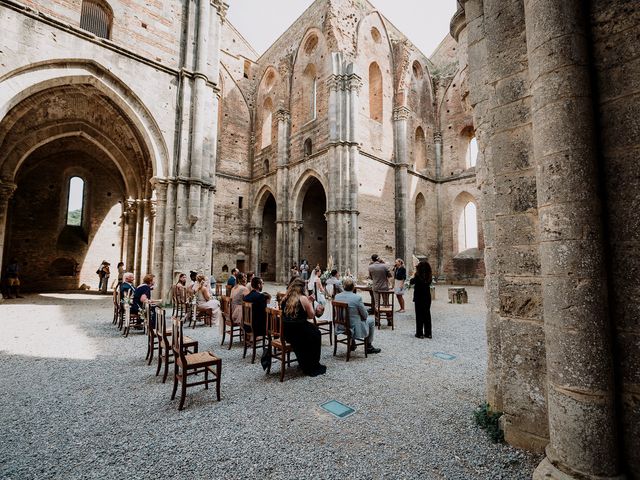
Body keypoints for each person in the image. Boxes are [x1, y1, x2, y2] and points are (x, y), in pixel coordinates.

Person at [280, 278, 326, 377]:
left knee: (312, 332)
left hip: (287, 331)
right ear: (302, 288)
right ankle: (312, 364)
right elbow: (311, 316)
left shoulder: (285, 298)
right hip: (299, 330)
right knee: (316, 334)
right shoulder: (303, 298)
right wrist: (309, 302)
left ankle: (304, 361)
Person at [334, 278, 381, 354]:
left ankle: (352, 343)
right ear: (353, 287)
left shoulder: (337, 296)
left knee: (352, 317)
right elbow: (365, 315)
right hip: (352, 327)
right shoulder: (357, 298)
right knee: (371, 321)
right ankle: (368, 346)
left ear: (343, 286)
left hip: (340, 325)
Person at [410, 260, 433, 339]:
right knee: (427, 315)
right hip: (427, 297)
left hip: (419, 297)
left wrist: (413, 274)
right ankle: (428, 333)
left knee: (419, 315)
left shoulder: (417, 275)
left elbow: (411, 282)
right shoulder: (429, 276)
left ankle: (419, 333)